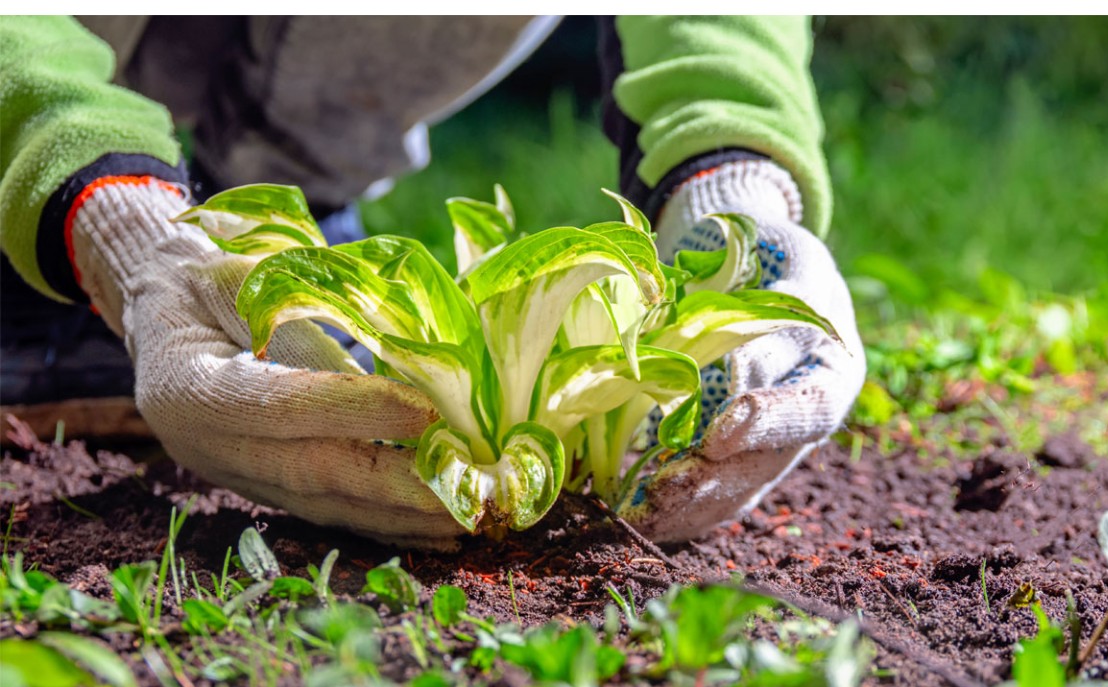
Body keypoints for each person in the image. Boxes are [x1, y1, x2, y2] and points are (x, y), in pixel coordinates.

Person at [0, 16, 865, 546]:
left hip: (293, 153)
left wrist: (735, 179)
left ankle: (294, 201)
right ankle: (45, 243)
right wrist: (120, 227)